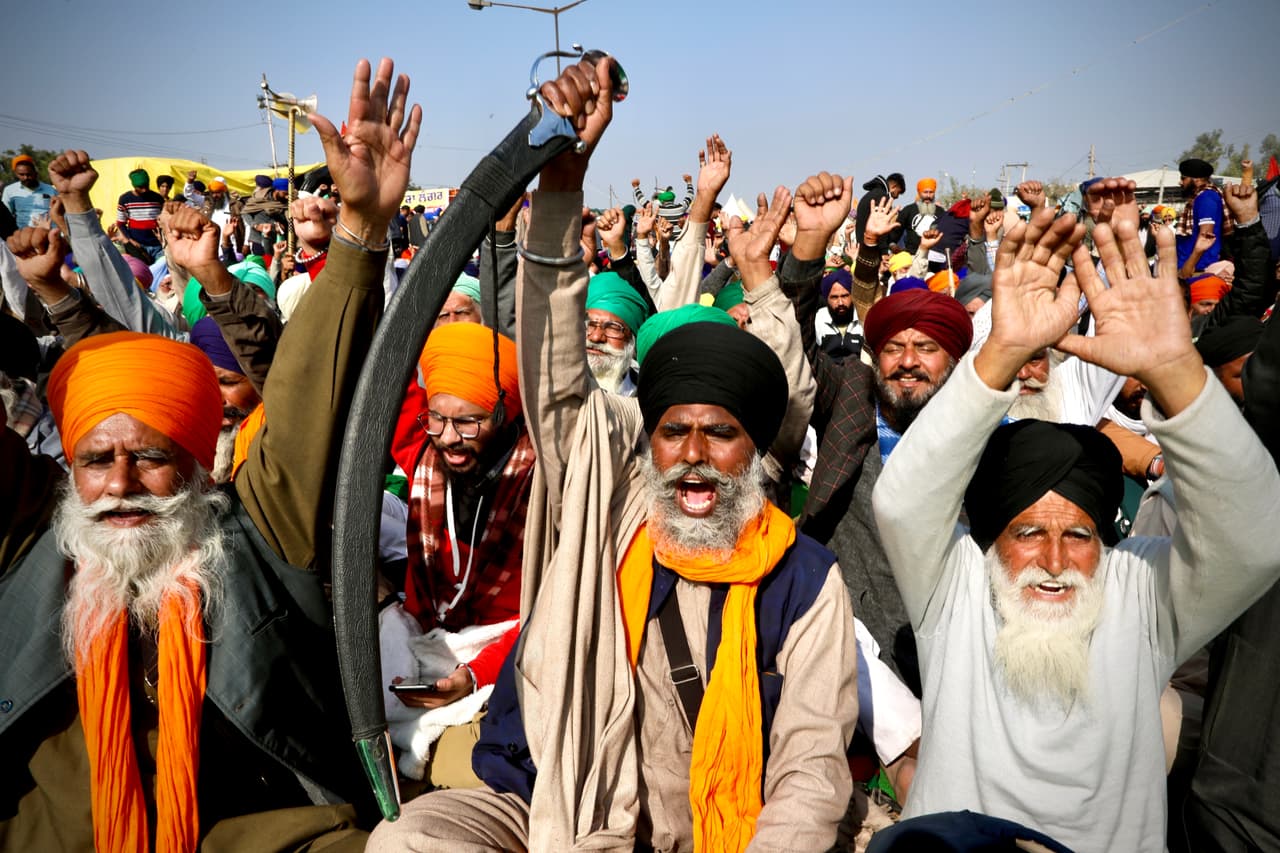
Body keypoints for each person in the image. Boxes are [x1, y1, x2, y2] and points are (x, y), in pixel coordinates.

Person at [368, 56, 856, 853]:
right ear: (646, 437)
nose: (694, 456)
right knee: (407, 841)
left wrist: (770, 280)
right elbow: (557, 376)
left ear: (756, 448)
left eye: (722, 433)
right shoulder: (610, 506)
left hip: (708, 837)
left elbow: (809, 769)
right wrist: (561, 185)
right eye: (675, 430)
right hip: (558, 802)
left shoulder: (801, 579)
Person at [0, 56, 423, 851]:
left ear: (198, 464)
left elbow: (304, 405)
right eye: (97, 460)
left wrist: (361, 232)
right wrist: (57, 285)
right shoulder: (29, 544)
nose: (122, 483)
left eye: (151, 456)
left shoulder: (252, 537)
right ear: (68, 468)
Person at [871, 200, 1280, 852]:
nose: (1054, 558)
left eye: (1080, 534)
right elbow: (900, 502)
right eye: (1028, 531)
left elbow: (1259, 532)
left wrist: (1173, 370)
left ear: (1110, 539)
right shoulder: (956, 588)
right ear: (990, 539)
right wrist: (1002, 350)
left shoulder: (1141, 590)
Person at [584, 270, 650, 395]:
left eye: (613, 327)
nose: (596, 337)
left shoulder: (647, 394)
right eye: (589, 324)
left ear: (631, 339)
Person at [1175, 158, 1230, 276]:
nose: (1180, 182)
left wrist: (1187, 269)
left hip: (1198, 270)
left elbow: (1205, 238)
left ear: (1197, 179)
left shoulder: (1206, 199)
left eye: (1183, 178)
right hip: (1191, 268)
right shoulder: (1198, 198)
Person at [116, 168, 166, 261]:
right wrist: (131, 240)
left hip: (158, 246)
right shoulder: (125, 199)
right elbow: (121, 224)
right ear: (134, 186)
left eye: (146, 186)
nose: (144, 190)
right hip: (138, 247)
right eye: (141, 187)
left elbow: (164, 220)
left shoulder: (157, 198)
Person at [3, 154, 56, 227]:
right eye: (21, 174)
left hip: (47, 232)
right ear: (16, 174)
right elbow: (6, 216)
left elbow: (59, 213)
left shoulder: (50, 190)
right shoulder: (9, 190)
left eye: (29, 174)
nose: (26, 177)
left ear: (35, 173)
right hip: (23, 233)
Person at [896, 177, 939, 254]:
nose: (928, 196)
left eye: (931, 192)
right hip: (912, 256)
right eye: (925, 192)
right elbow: (896, 233)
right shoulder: (908, 210)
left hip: (935, 257)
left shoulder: (941, 212)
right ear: (919, 193)